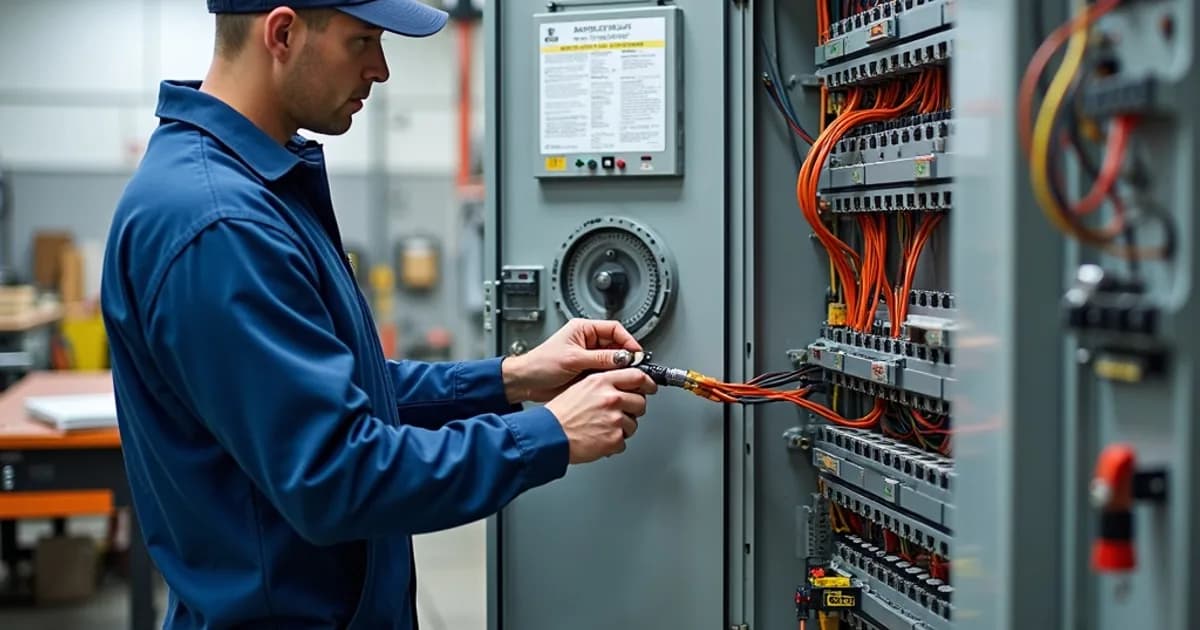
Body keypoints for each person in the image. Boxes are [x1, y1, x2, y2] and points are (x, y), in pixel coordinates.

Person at [99, 1, 658, 627]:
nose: (382, 69)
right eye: (362, 40)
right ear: (281, 33)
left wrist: (510, 378)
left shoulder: (253, 190)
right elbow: (337, 476)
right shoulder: (220, 223)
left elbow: (339, 391)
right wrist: (549, 433)